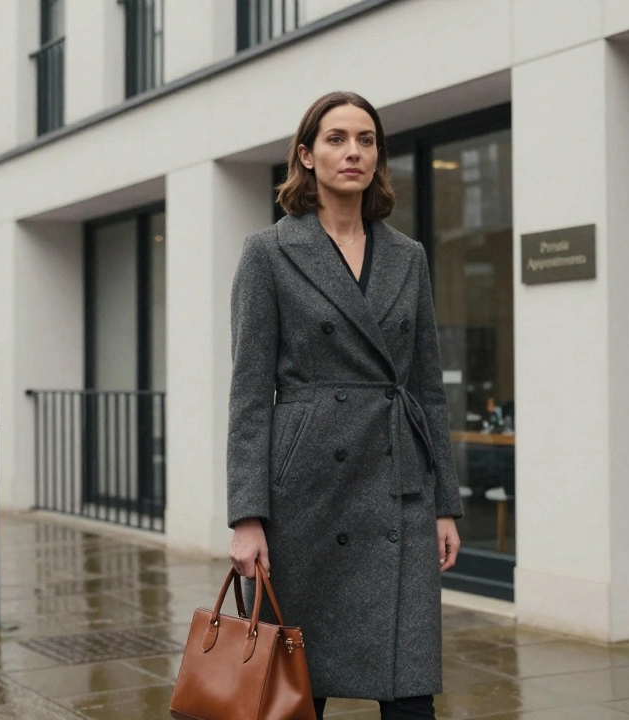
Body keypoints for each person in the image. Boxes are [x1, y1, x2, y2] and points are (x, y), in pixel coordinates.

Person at [226, 91, 463, 720]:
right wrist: (246, 515)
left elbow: (427, 389)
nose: (352, 151)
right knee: (299, 694)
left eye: (365, 139)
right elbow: (249, 394)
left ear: (378, 156)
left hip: (398, 487)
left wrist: (445, 504)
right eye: (335, 139)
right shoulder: (268, 253)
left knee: (410, 689)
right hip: (306, 495)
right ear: (306, 156)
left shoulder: (407, 257)